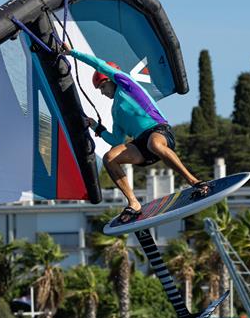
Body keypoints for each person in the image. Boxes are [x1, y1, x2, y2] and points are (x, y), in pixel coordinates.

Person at [62, 43, 208, 223]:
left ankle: (194, 181)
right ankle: (133, 203)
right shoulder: (116, 111)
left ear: (110, 80)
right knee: (110, 158)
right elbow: (116, 140)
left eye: (102, 88)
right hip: (141, 145)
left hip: (159, 131)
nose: (102, 93)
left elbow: (99, 65)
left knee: (154, 143)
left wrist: (72, 53)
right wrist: (95, 127)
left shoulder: (127, 85)